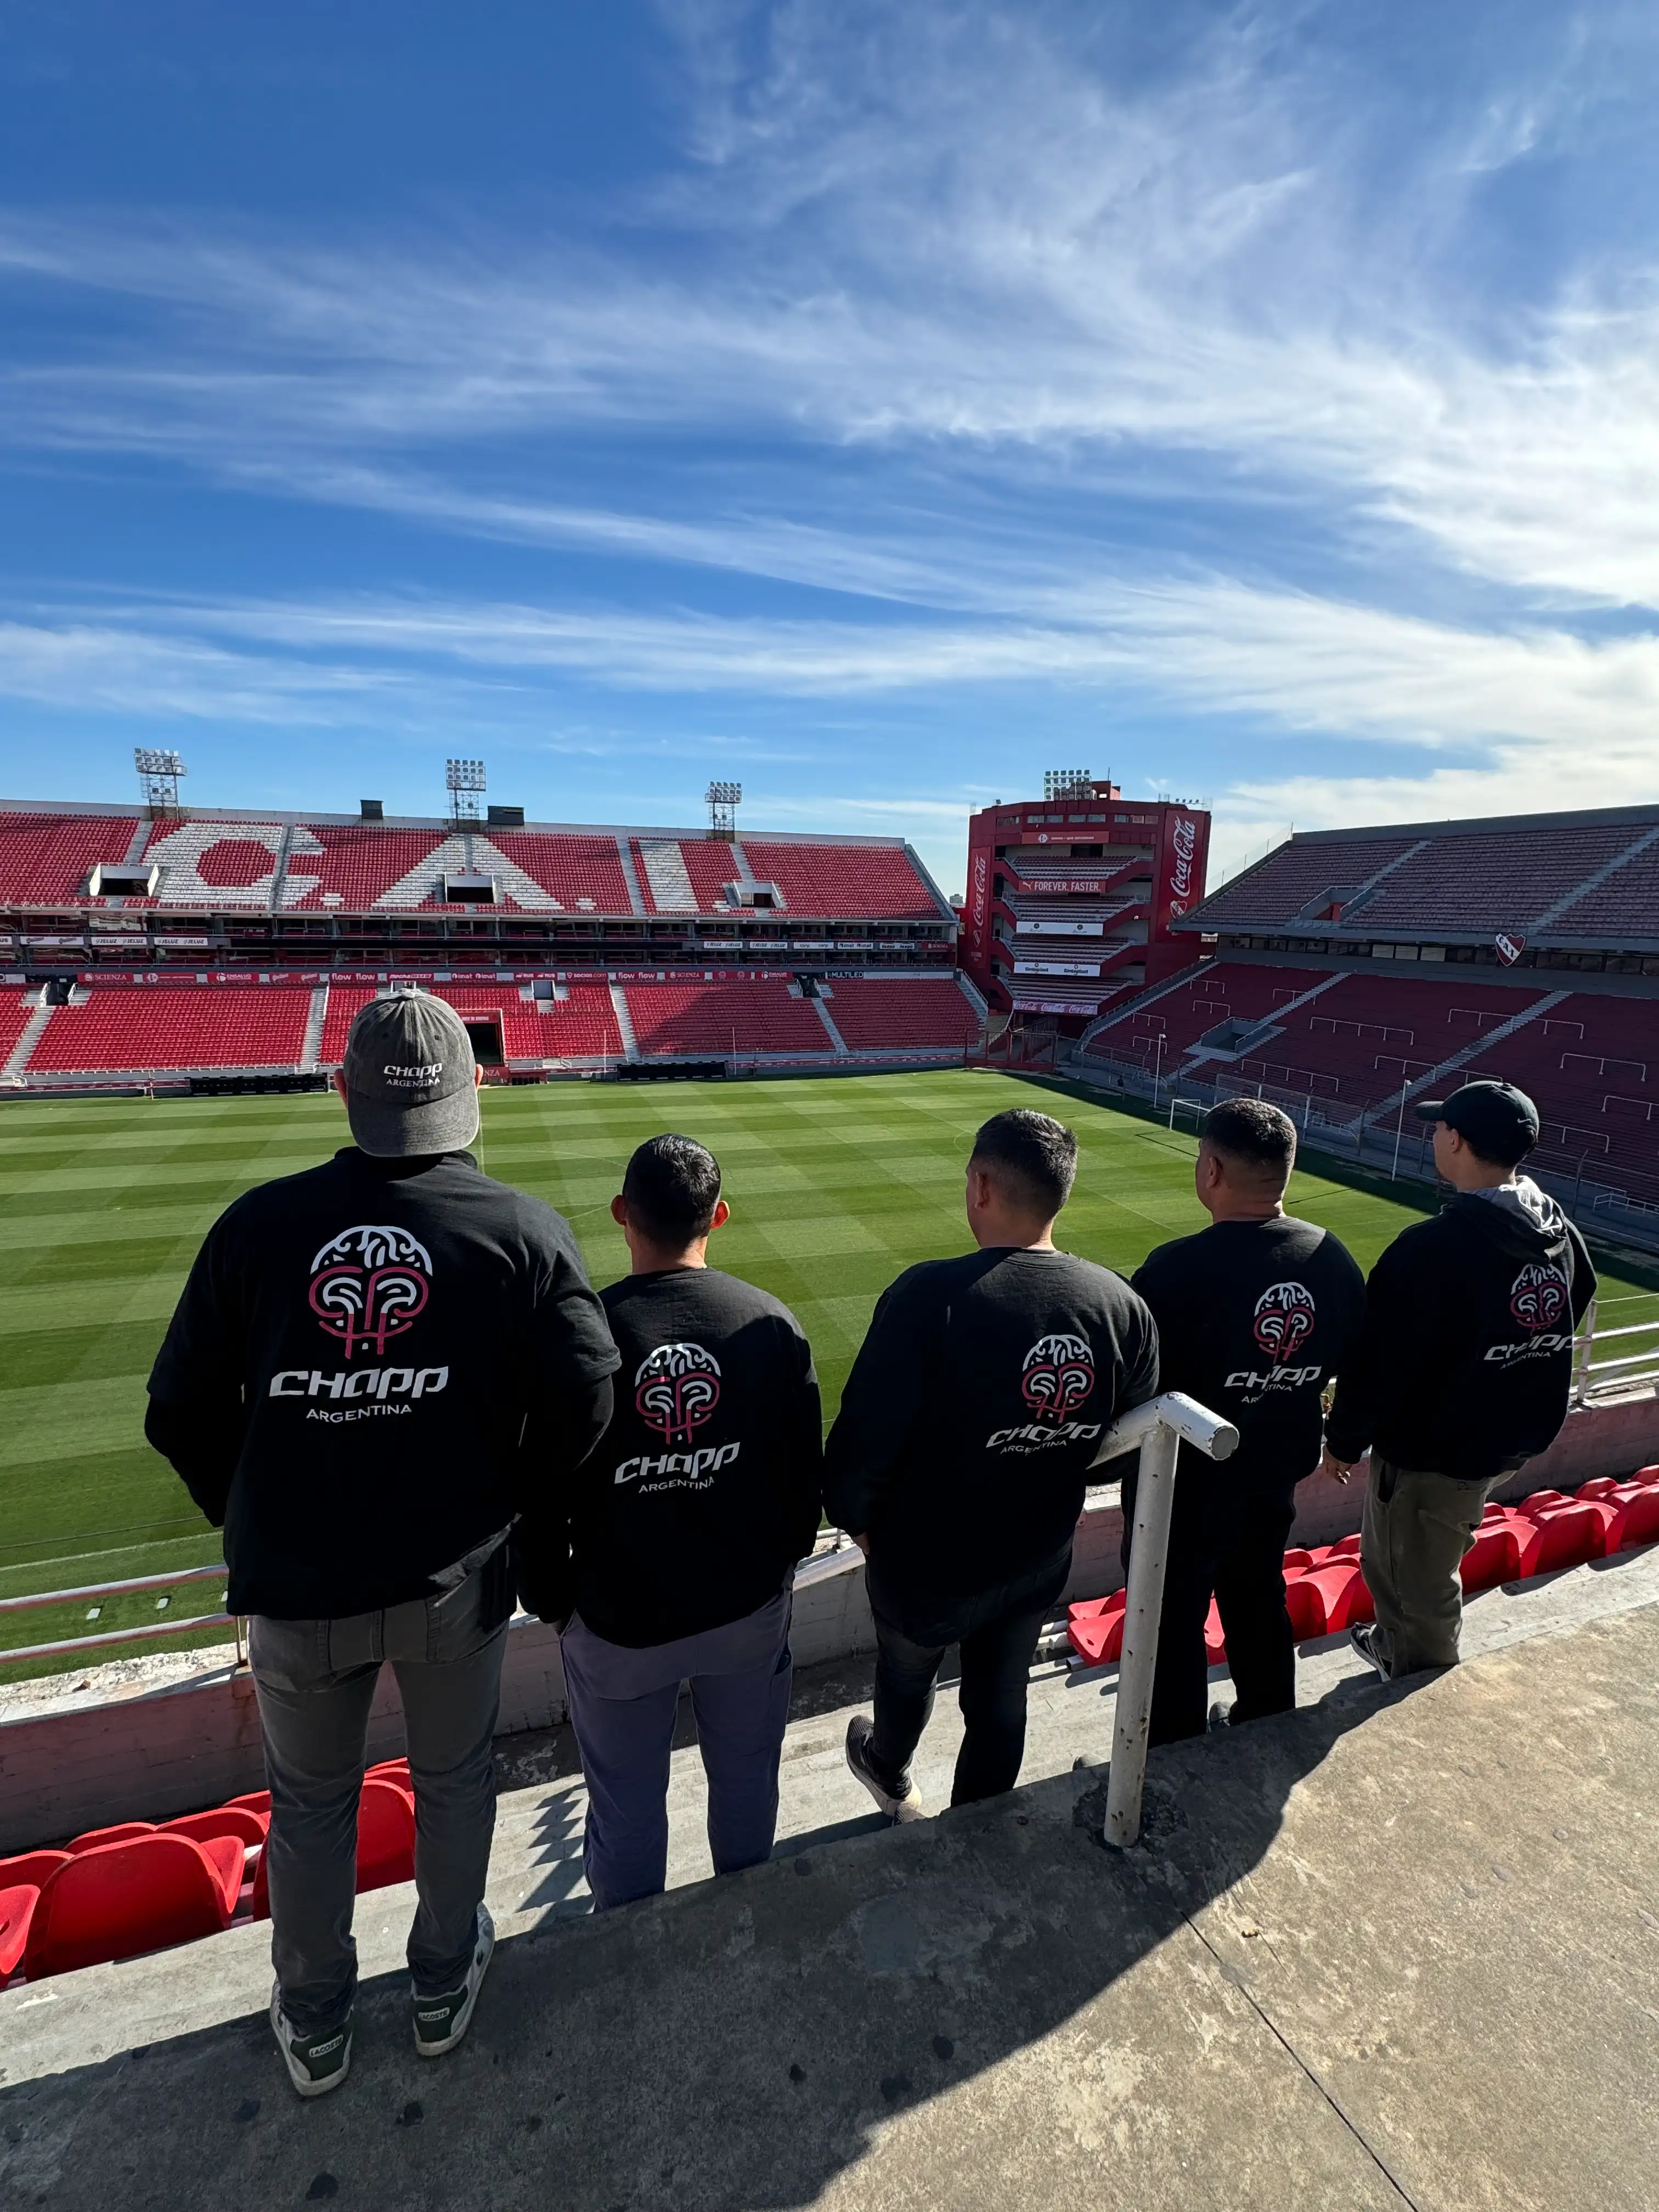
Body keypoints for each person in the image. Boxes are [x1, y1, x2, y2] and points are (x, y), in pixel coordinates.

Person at [146, 992, 618, 2098]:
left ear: (342, 1090)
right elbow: (590, 1392)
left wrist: (249, 1508)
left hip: (295, 1588)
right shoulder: (522, 1230)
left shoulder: (256, 1226)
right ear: (472, 1095)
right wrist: (518, 1497)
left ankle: (315, 2019)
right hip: (452, 1578)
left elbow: (179, 1407)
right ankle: (443, 1981)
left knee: (310, 1804)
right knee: (454, 1780)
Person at [516, 1134, 822, 1910]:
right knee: (749, 1776)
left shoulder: (580, 1338)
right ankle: (744, 1915)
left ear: (622, 1213)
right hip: (745, 1611)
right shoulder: (773, 1326)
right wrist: (772, 1575)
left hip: (618, 1624)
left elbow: (538, 1496)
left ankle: (630, 1947)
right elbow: (801, 1488)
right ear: (718, 1215)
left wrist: (557, 1602)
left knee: (624, 1804)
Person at [825, 1107, 1159, 1819]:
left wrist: (854, 1518)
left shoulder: (926, 1298)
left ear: (980, 1185)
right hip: (1037, 1555)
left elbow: (863, 1444)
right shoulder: (1122, 1307)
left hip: (925, 1566)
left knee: (908, 1678)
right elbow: (1126, 1439)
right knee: (1002, 1697)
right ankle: (979, 1829)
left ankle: (888, 1768)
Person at [1322, 1078, 1595, 1680]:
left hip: (1437, 1451)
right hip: (1509, 1436)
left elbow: (1381, 1362)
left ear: (1457, 1141)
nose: (1436, 1135)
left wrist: (1343, 1440)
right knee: (1440, 1543)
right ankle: (1401, 1643)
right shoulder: (1561, 1232)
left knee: (1413, 1579)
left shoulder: (1434, 1248)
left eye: (1441, 1126)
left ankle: (1417, 1674)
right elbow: (1572, 1304)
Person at [1127, 1098, 1366, 1743]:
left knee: (1172, 1616)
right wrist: (1341, 1437)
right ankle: (1269, 1721)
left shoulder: (1176, 1269)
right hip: (1272, 1476)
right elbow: (1364, 1363)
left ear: (1210, 1169)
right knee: (1258, 1595)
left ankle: (1174, 1747)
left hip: (1183, 1491)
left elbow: (1133, 1392)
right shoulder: (1331, 1259)